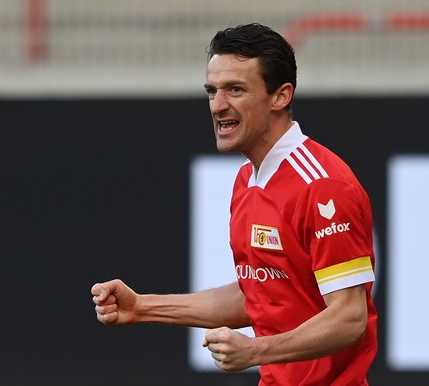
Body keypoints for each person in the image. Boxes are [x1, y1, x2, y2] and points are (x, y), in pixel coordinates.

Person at [91, 23, 377, 385]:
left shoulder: (323, 186)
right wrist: (143, 307)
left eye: (235, 89)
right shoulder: (247, 179)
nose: (218, 105)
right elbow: (258, 296)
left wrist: (256, 351)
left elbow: (350, 318)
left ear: (280, 96)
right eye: (212, 91)